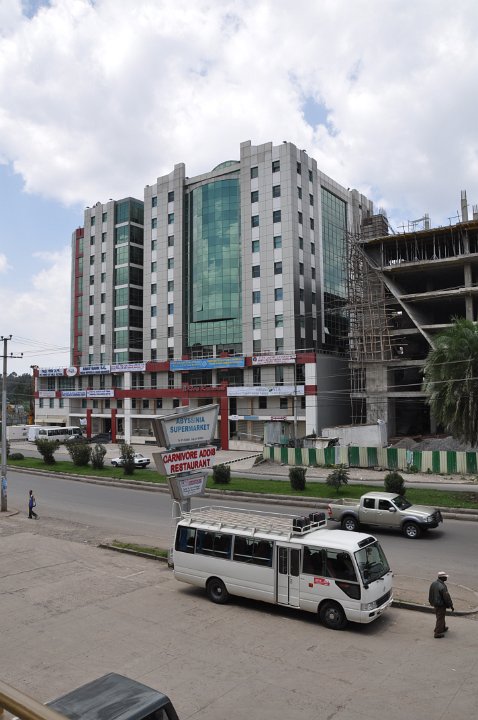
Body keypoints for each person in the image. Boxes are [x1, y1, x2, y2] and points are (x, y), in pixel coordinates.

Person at [428, 571, 454, 638]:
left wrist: (431, 602)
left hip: (435, 604)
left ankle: (442, 627)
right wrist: (451, 605)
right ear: (442, 578)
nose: (446, 578)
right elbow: (447, 598)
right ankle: (437, 633)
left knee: (440, 616)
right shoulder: (442, 586)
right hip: (441, 605)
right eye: (445, 577)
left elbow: (431, 594)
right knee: (440, 618)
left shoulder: (434, 583)